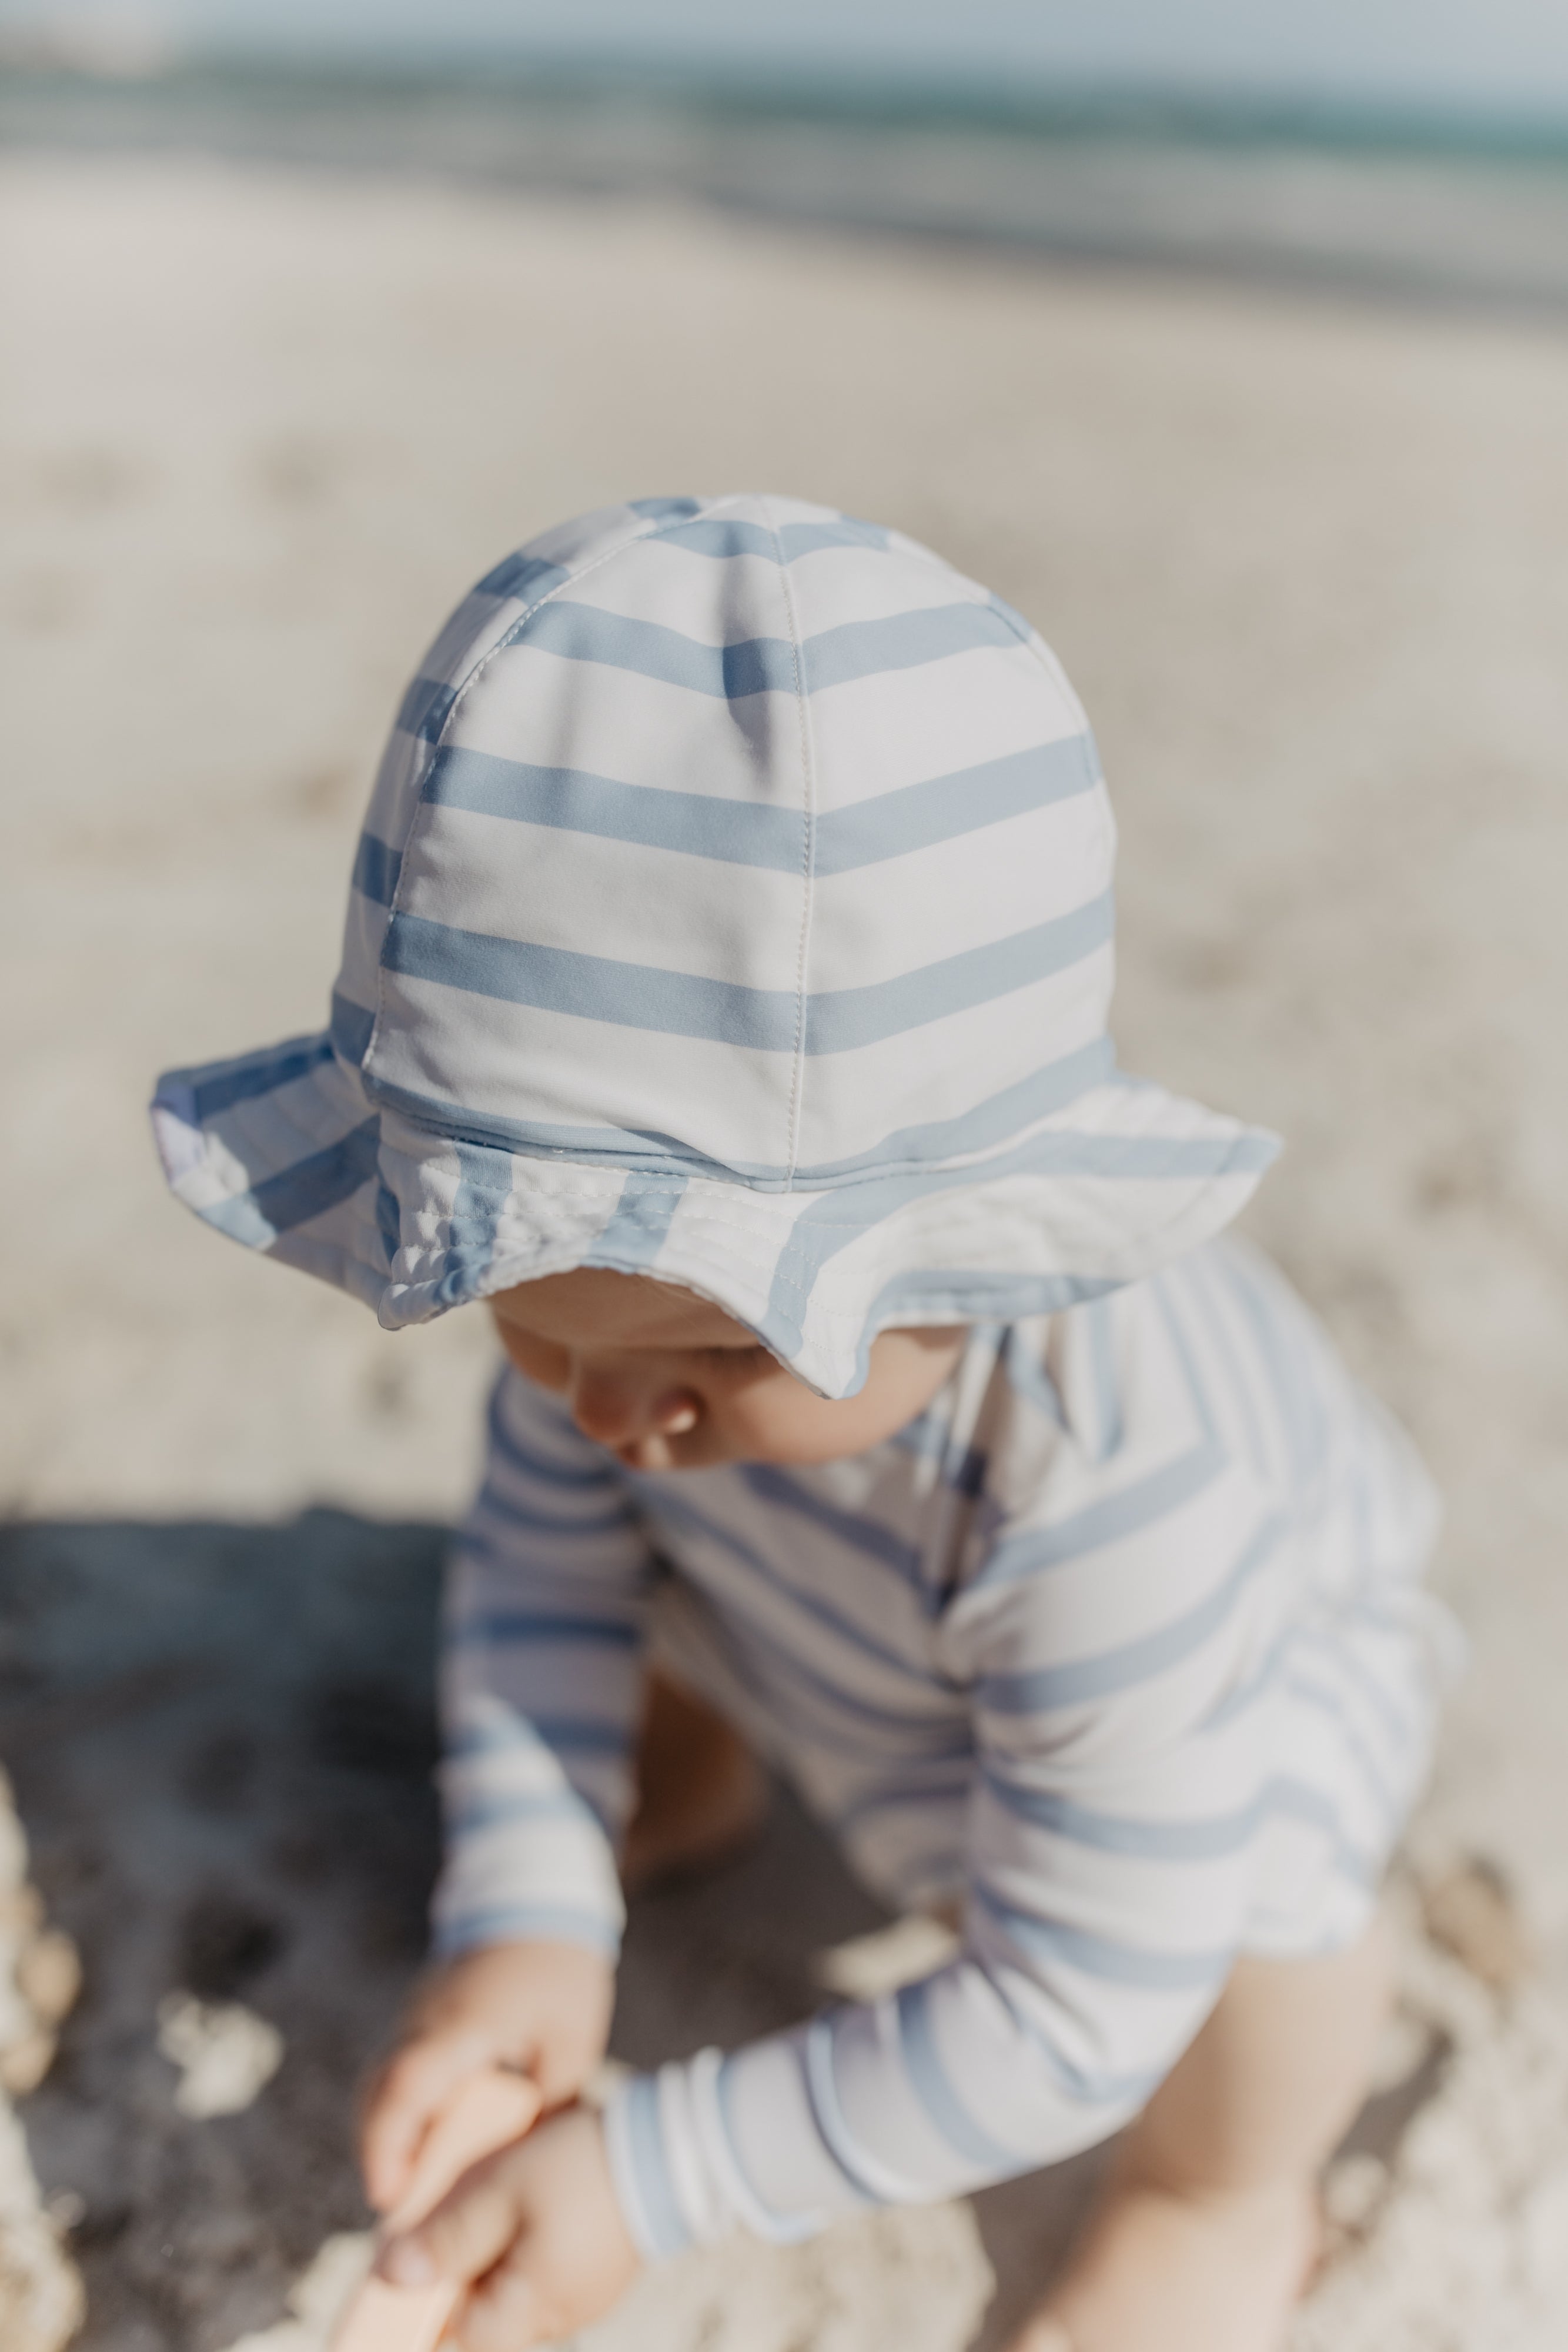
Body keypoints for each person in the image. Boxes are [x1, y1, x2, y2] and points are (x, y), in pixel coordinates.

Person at [151, 494, 1450, 2352]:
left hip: (1209, 1697)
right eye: (526, 1313)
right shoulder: (643, 1374)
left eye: (700, 1352)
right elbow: (540, 1577)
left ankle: (1222, 2207)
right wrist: (528, 1917)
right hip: (846, 1590)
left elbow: (1072, 2005)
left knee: (1263, 1938)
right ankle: (711, 1755)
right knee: (630, 1523)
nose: (608, 1409)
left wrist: (647, 2173)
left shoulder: (1118, 1493)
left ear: (964, 1259)